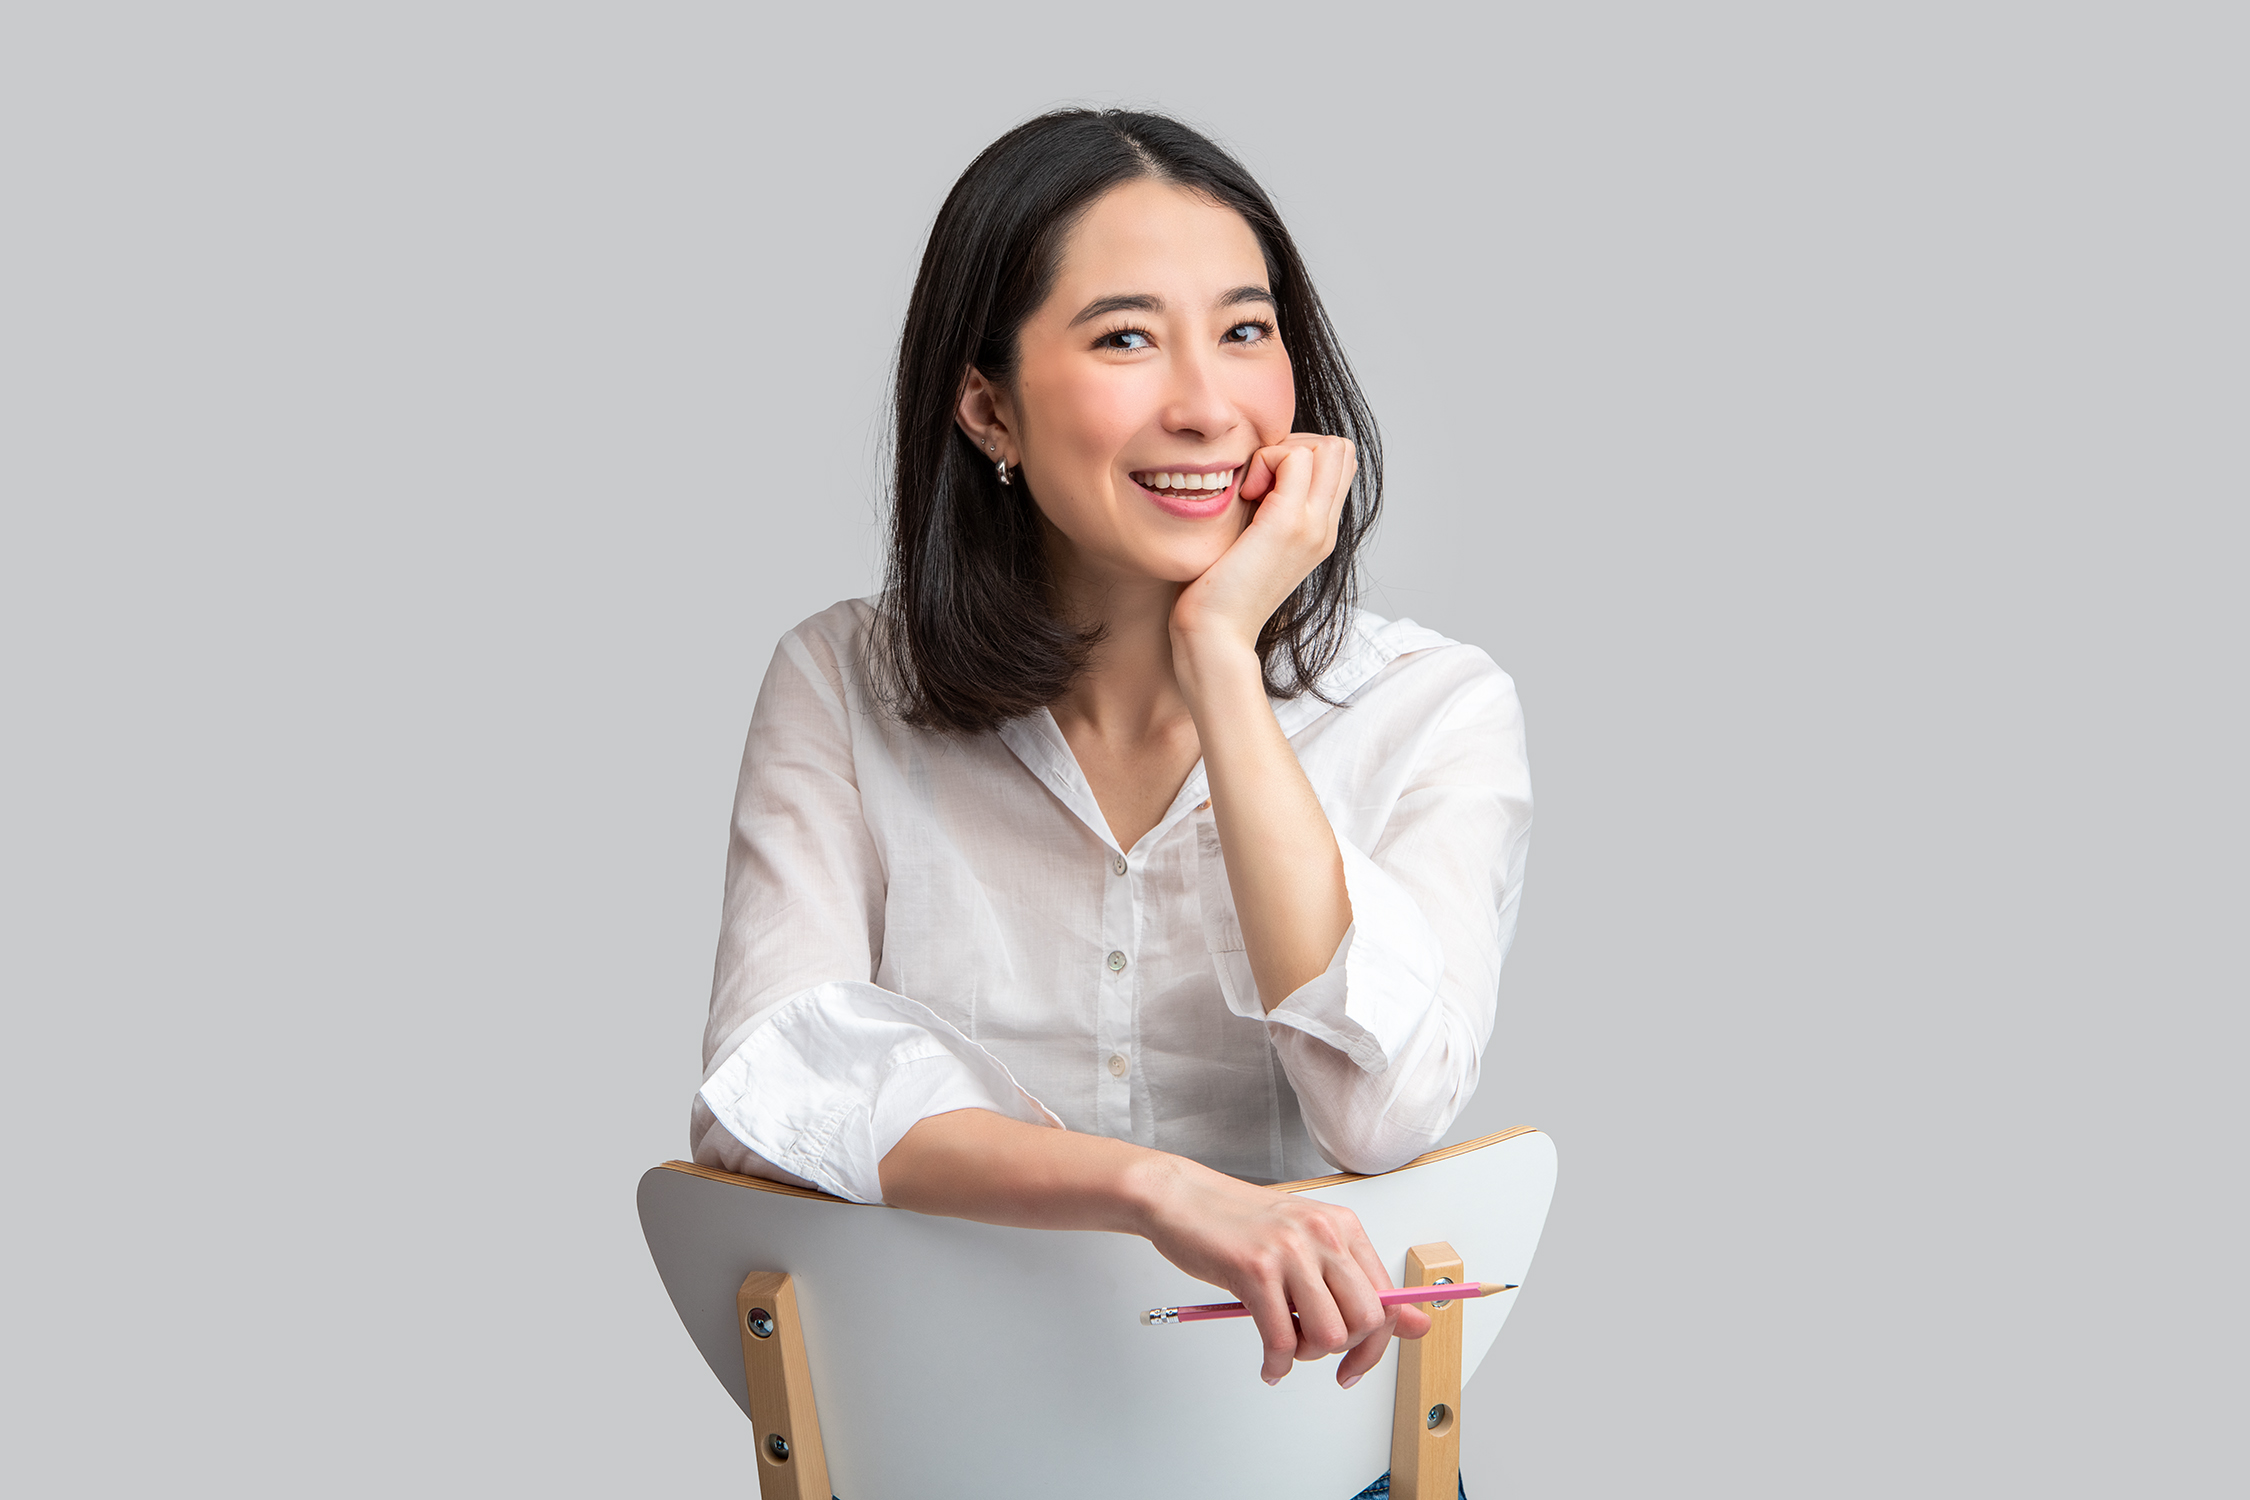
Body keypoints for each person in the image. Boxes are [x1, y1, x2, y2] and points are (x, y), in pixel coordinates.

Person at [691, 109, 1529, 1497]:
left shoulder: (1433, 707)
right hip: (940, 1453)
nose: (1207, 404)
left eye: (1246, 332)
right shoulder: (842, 679)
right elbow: (774, 1088)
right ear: (987, 406)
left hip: (1305, 1465)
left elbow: (1377, 1115)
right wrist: (1153, 1191)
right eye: (1127, 337)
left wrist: (1218, 660)